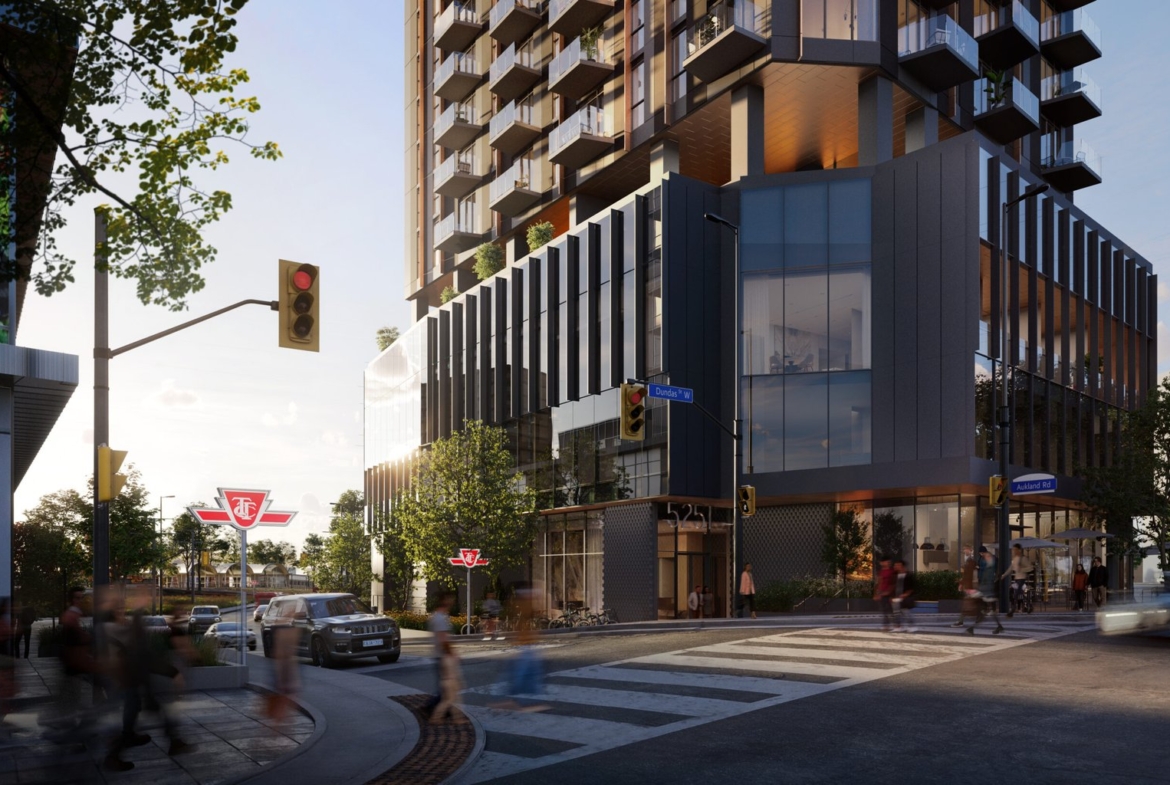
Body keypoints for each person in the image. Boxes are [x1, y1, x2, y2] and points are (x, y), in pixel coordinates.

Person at [422, 592, 453, 719]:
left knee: (443, 685)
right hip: (442, 656)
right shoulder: (440, 619)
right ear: (445, 602)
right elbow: (443, 639)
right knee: (445, 686)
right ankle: (431, 707)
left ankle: (444, 709)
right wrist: (451, 654)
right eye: (450, 601)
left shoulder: (436, 616)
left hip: (438, 655)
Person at [969, 546, 1004, 636]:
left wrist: (979, 590)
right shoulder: (985, 563)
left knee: (984, 610)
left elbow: (987, 578)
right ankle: (998, 626)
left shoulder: (989, 566)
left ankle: (972, 627)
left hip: (986, 590)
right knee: (986, 610)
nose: (984, 556)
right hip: (986, 589)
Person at [1001, 544, 1034, 617]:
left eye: (1015, 549)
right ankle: (1030, 606)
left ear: (1019, 550)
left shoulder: (1023, 558)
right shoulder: (1015, 559)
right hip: (1017, 579)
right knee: (1020, 593)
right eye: (1013, 550)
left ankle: (1012, 611)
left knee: (1016, 594)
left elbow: (1030, 568)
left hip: (1022, 579)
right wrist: (1004, 575)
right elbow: (1011, 568)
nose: (1013, 551)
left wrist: (1021, 569)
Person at [952, 547, 978, 628]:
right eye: (964, 549)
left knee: (967, 605)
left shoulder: (970, 562)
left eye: (966, 549)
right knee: (969, 604)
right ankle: (962, 620)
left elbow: (969, 576)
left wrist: (962, 583)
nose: (964, 551)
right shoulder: (969, 562)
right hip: (970, 586)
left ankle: (961, 621)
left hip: (970, 587)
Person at [891, 560, 917, 633]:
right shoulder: (895, 575)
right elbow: (892, 586)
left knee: (905, 612)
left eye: (897, 565)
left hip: (905, 597)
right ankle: (898, 626)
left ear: (902, 566)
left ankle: (912, 626)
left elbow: (912, 587)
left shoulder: (909, 575)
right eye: (895, 565)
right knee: (896, 612)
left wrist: (906, 594)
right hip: (896, 596)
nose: (895, 567)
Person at [874, 558, 895, 632]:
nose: (885, 563)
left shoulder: (892, 572)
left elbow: (893, 583)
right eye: (883, 562)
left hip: (890, 593)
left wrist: (890, 592)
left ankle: (895, 624)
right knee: (884, 610)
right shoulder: (881, 572)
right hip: (882, 593)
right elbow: (879, 582)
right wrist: (877, 593)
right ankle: (886, 625)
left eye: (887, 561)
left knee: (891, 610)